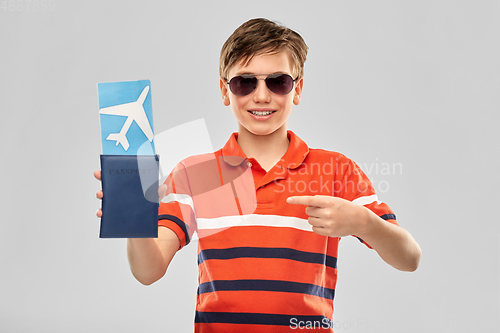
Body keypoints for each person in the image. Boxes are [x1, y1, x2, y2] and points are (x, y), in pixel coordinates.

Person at [95, 18, 421, 332]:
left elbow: (408, 257)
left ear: (297, 89)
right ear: (225, 91)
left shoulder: (335, 169)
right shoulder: (195, 174)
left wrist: (364, 223)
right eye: (244, 82)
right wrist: (133, 217)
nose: (261, 96)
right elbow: (148, 271)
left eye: (278, 82)